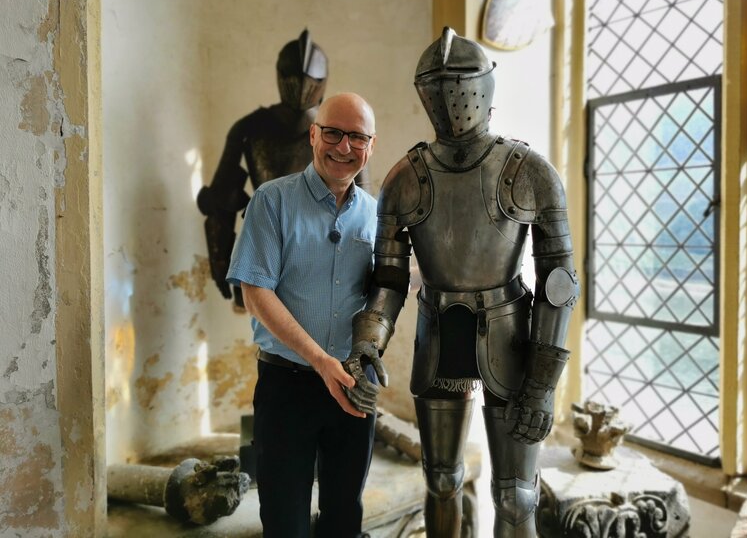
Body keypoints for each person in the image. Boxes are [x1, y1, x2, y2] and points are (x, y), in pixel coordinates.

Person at [343, 28, 579, 537]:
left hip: (510, 336)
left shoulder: (528, 171)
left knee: (515, 495)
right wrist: (368, 342)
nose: (453, 102)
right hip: (438, 332)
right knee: (441, 479)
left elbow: (558, 282)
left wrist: (542, 384)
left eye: (461, 85)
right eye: (440, 87)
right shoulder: (404, 178)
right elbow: (389, 280)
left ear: (484, 87)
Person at [227, 92, 379, 538]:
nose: (344, 147)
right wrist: (320, 360)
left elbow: (386, 285)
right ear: (313, 135)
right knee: (285, 522)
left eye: (357, 137)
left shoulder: (377, 214)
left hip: (354, 383)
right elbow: (256, 293)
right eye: (333, 133)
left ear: (370, 146)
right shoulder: (272, 200)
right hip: (287, 387)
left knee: (343, 519)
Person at [198, 29, 369, 309]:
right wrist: (220, 264)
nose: (302, 87)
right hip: (263, 241)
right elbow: (221, 202)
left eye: (310, 81)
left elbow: (360, 204)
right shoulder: (249, 129)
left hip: (325, 247)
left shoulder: (335, 130)